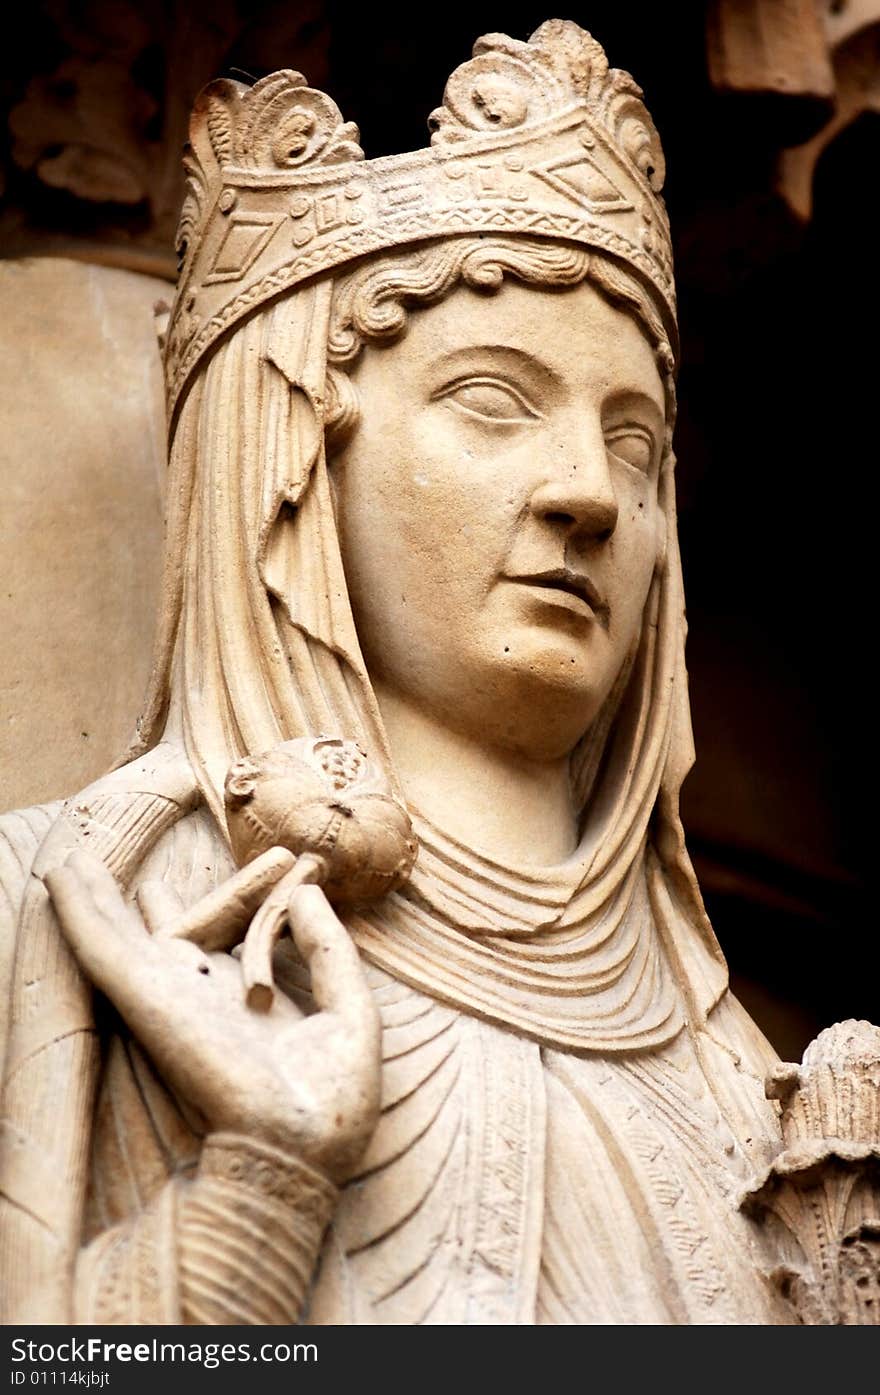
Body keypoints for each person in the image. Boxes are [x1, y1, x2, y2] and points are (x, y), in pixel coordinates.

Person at [0, 20, 793, 1324]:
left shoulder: (765, 1101)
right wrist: (262, 1178)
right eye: (493, 403)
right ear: (296, 460)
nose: (590, 495)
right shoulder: (72, 909)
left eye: (636, 443)